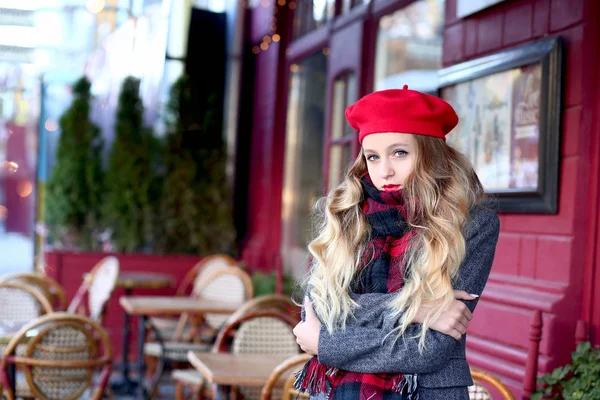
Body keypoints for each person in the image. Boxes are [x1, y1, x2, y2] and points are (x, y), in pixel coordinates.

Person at [292, 86, 500, 400]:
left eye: (399, 152)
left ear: (430, 154)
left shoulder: (472, 223)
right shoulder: (348, 215)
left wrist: (326, 344)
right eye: (373, 157)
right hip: (337, 392)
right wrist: (412, 309)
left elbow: (428, 350)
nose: (384, 170)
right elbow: (320, 306)